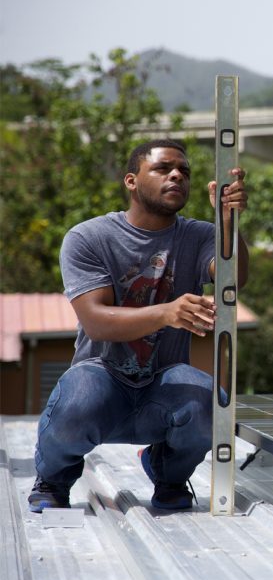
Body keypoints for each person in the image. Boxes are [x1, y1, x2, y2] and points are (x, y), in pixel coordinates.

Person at [28, 138, 249, 512]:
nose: (177, 175)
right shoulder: (89, 237)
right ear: (131, 181)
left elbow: (234, 278)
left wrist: (228, 222)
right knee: (78, 394)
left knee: (211, 402)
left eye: (184, 171)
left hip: (163, 386)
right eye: (163, 168)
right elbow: (96, 321)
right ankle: (53, 479)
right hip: (104, 381)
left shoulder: (199, 236)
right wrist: (166, 312)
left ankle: (168, 475)